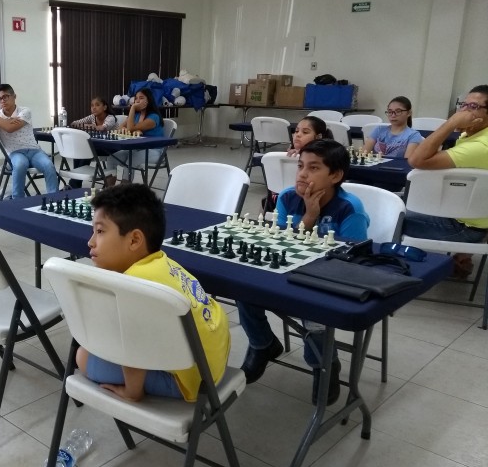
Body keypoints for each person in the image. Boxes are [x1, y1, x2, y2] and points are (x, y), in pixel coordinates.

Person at [236, 139, 369, 405]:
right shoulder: (286, 197)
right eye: (300, 166)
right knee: (243, 284)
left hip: (325, 278)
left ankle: (324, 363)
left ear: (335, 175)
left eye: (313, 167)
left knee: (314, 310)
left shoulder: (349, 208)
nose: (302, 174)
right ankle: (262, 344)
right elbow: (281, 243)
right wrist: (309, 217)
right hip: (287, 269)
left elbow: (351, 260)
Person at [76, 183, 231, 402]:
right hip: (214, 360)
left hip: (193, 380)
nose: (90, 241)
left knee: (83, 356)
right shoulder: (160, 262)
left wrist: (132, 392)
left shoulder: (134, 285)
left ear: (135, 240)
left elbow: (133, 349)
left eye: (100, 231)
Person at [404, 85, 488, 277]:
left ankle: (388, 272)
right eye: (463, 105)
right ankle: (461, 258)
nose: (465, 111)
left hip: (464, 227)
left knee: (391, 214)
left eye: (473, 107)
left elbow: (416, 160)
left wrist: (450, 123)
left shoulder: (481, 146)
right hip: (467, 214)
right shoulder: (473, 134)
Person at [0, 84, 59, 199]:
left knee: (48, 165)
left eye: (5, 97)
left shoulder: (25, 111)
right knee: (19, 165)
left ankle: (54, 199)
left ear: (14, 96)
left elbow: (10, 128)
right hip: (15, 152)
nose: (2, 101)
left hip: (34, 151)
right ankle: (17, 201)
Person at [263, 116, 330, 213]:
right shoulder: (285, 156)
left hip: (314, 198)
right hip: (281, 199)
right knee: (266, 200)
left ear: (318, 137)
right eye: (296, 131)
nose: (298, 135)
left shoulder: (325, 158)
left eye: (305, 132)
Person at [106, 88, 165, 186]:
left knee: (131, 161)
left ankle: (123, 192)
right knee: (111, 159)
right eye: (136, 98)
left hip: (154, 150)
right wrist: (123, 129)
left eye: (141, 98)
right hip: (137, 149)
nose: (137, 101)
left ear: (148, 100)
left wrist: (132, 108)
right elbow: (122, 127)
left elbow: (130, 128)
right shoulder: (136, 115)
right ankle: (109, 190)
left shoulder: (154, 117)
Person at [68, 96, 117, 189]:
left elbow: (102, 128)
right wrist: (87, 125)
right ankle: (76, 182)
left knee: (87, 149)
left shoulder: (110, 118)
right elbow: (74, 123)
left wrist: (85, 126)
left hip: (112, 147)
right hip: (98, 146)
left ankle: (74, 184)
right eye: (92, 105)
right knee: (81, 148)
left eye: (97, 105)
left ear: (105, 107)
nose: (94, 107)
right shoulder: (92, 117)